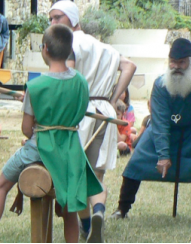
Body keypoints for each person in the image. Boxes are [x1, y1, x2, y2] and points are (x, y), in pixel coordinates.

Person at [0, 24, 106, 244]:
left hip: (39, 149)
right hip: (70, 151)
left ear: (45, 49)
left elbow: (26, 129)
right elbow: (76, 115)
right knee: (69, 206)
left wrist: (33, 107)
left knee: (1, 184)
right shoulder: (81, 82)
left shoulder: (36, 86)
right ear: (69, 51)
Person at [48, 0, 137, 238]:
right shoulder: (104, 46)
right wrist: (113, 98)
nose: (54, 23)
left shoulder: (67, 43)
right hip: (104, 112)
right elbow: (129, 65)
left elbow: (67, 77)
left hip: (78, 112)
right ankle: (98, 211)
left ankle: (87, 224)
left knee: (76, 174)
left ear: (73, 19)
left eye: (58, 18)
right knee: (96, 175)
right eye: (51, 19)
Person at [110, 38, 191, 223]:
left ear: (190, 63)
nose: (176, 66)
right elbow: (160, 121)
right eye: (173, 62)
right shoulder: (161, 84)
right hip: (162, 131)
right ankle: (122, 209)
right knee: (136, 162)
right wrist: (163, 154)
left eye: (181, 62)